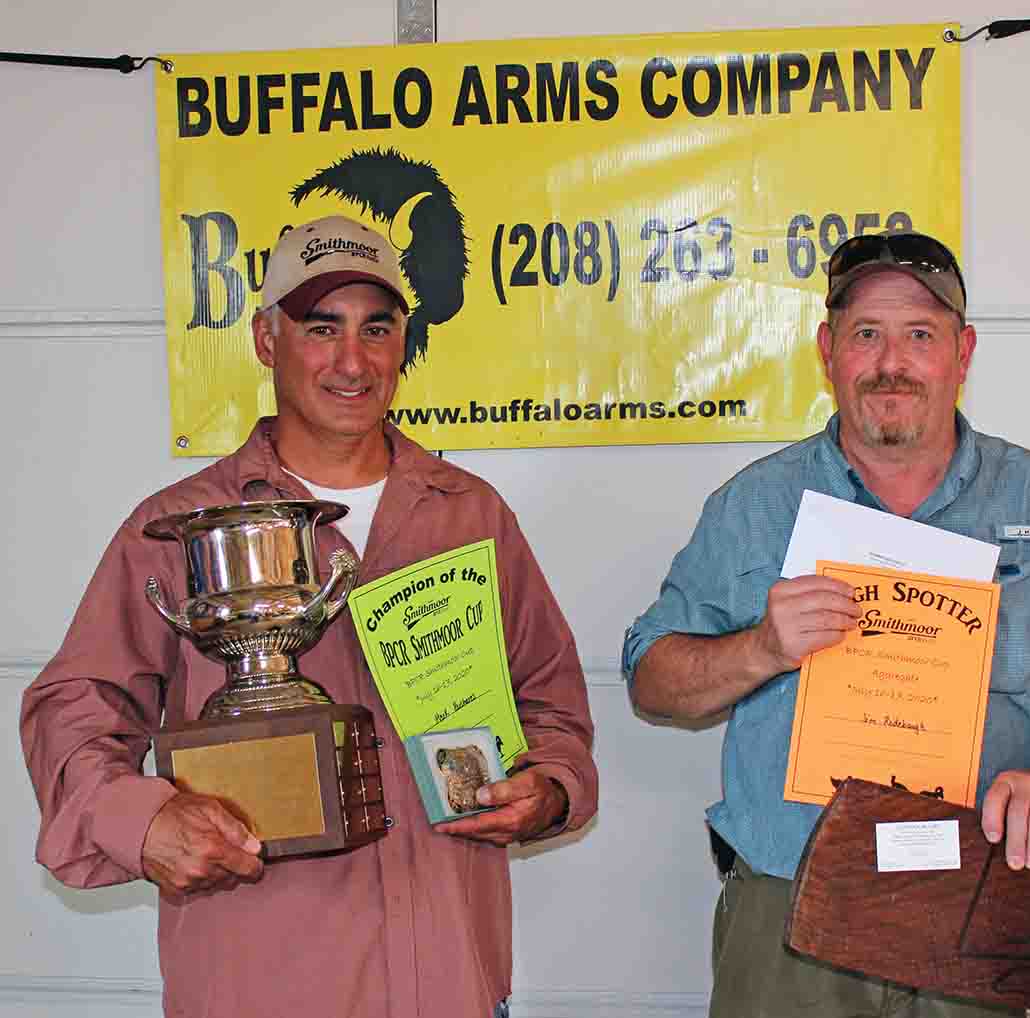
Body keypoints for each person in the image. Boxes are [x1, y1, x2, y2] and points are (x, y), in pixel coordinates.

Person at [21, 214, 598, 1018]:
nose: (352, 361)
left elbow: (551, 700)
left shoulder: (469, 515)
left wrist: (552, 787)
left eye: (377, 328)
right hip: (265, 984)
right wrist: (142, 821)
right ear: (266, 338)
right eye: (321, 328)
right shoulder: (180, 527)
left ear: (405, 342)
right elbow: (72, 709)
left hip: (454, 981)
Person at [621, 230, 1030, 1018]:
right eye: (866, 335)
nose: (892, 363)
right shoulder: (755, 507)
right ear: (828, 352)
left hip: (980, 913)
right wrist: (757, 649)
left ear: (963, 352)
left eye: (920, 335)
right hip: (792, 918)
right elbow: (653, 679)